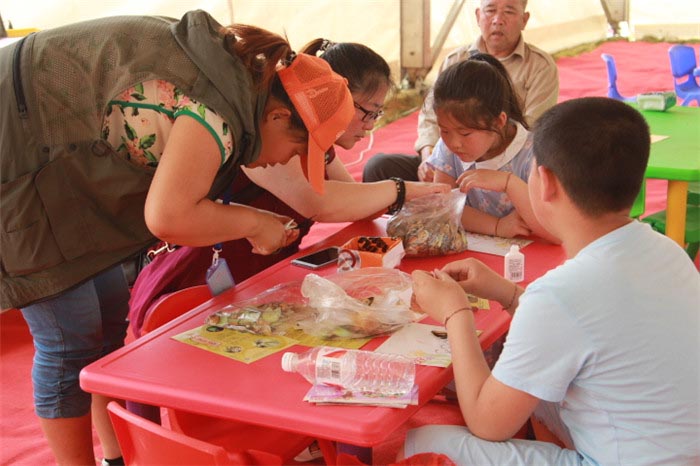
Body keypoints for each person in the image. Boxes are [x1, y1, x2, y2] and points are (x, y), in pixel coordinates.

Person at [0, 11, 358, 465]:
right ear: (277, 115)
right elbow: (168, 217)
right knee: (70, 342)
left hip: (65, 167)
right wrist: (254, 222)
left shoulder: (237, 83)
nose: (285, 161)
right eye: (297, 149)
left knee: (108, 327)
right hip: (17, 155)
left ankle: (115, 459)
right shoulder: (218, 108)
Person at [404, 97, 700, 465]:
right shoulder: (667, 250)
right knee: (536, 388)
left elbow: (486, 422)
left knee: (422, 444)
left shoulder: (560, 293)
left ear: (545, 182)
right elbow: (583, 321)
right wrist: (507, 293)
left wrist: (455, 313)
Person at [363, 0, 558, 183]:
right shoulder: (456, 59)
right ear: (478, 15)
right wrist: (429, 157)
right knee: (380, 168)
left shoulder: (540, 66)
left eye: (509, 11)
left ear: (524, 19)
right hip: (450, 159)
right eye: (490, 10)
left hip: (505, 165)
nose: (498, 20)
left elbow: (533, 127)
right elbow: (431, 115)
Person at [418, 53, 557, 242]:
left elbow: (555, 232)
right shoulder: (448, 146)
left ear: (499, 122)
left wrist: (509, 183)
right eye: (444, 130)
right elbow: (444, 207)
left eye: (465, 133)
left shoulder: (532, 155)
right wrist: (497, 226)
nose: (454, 143)